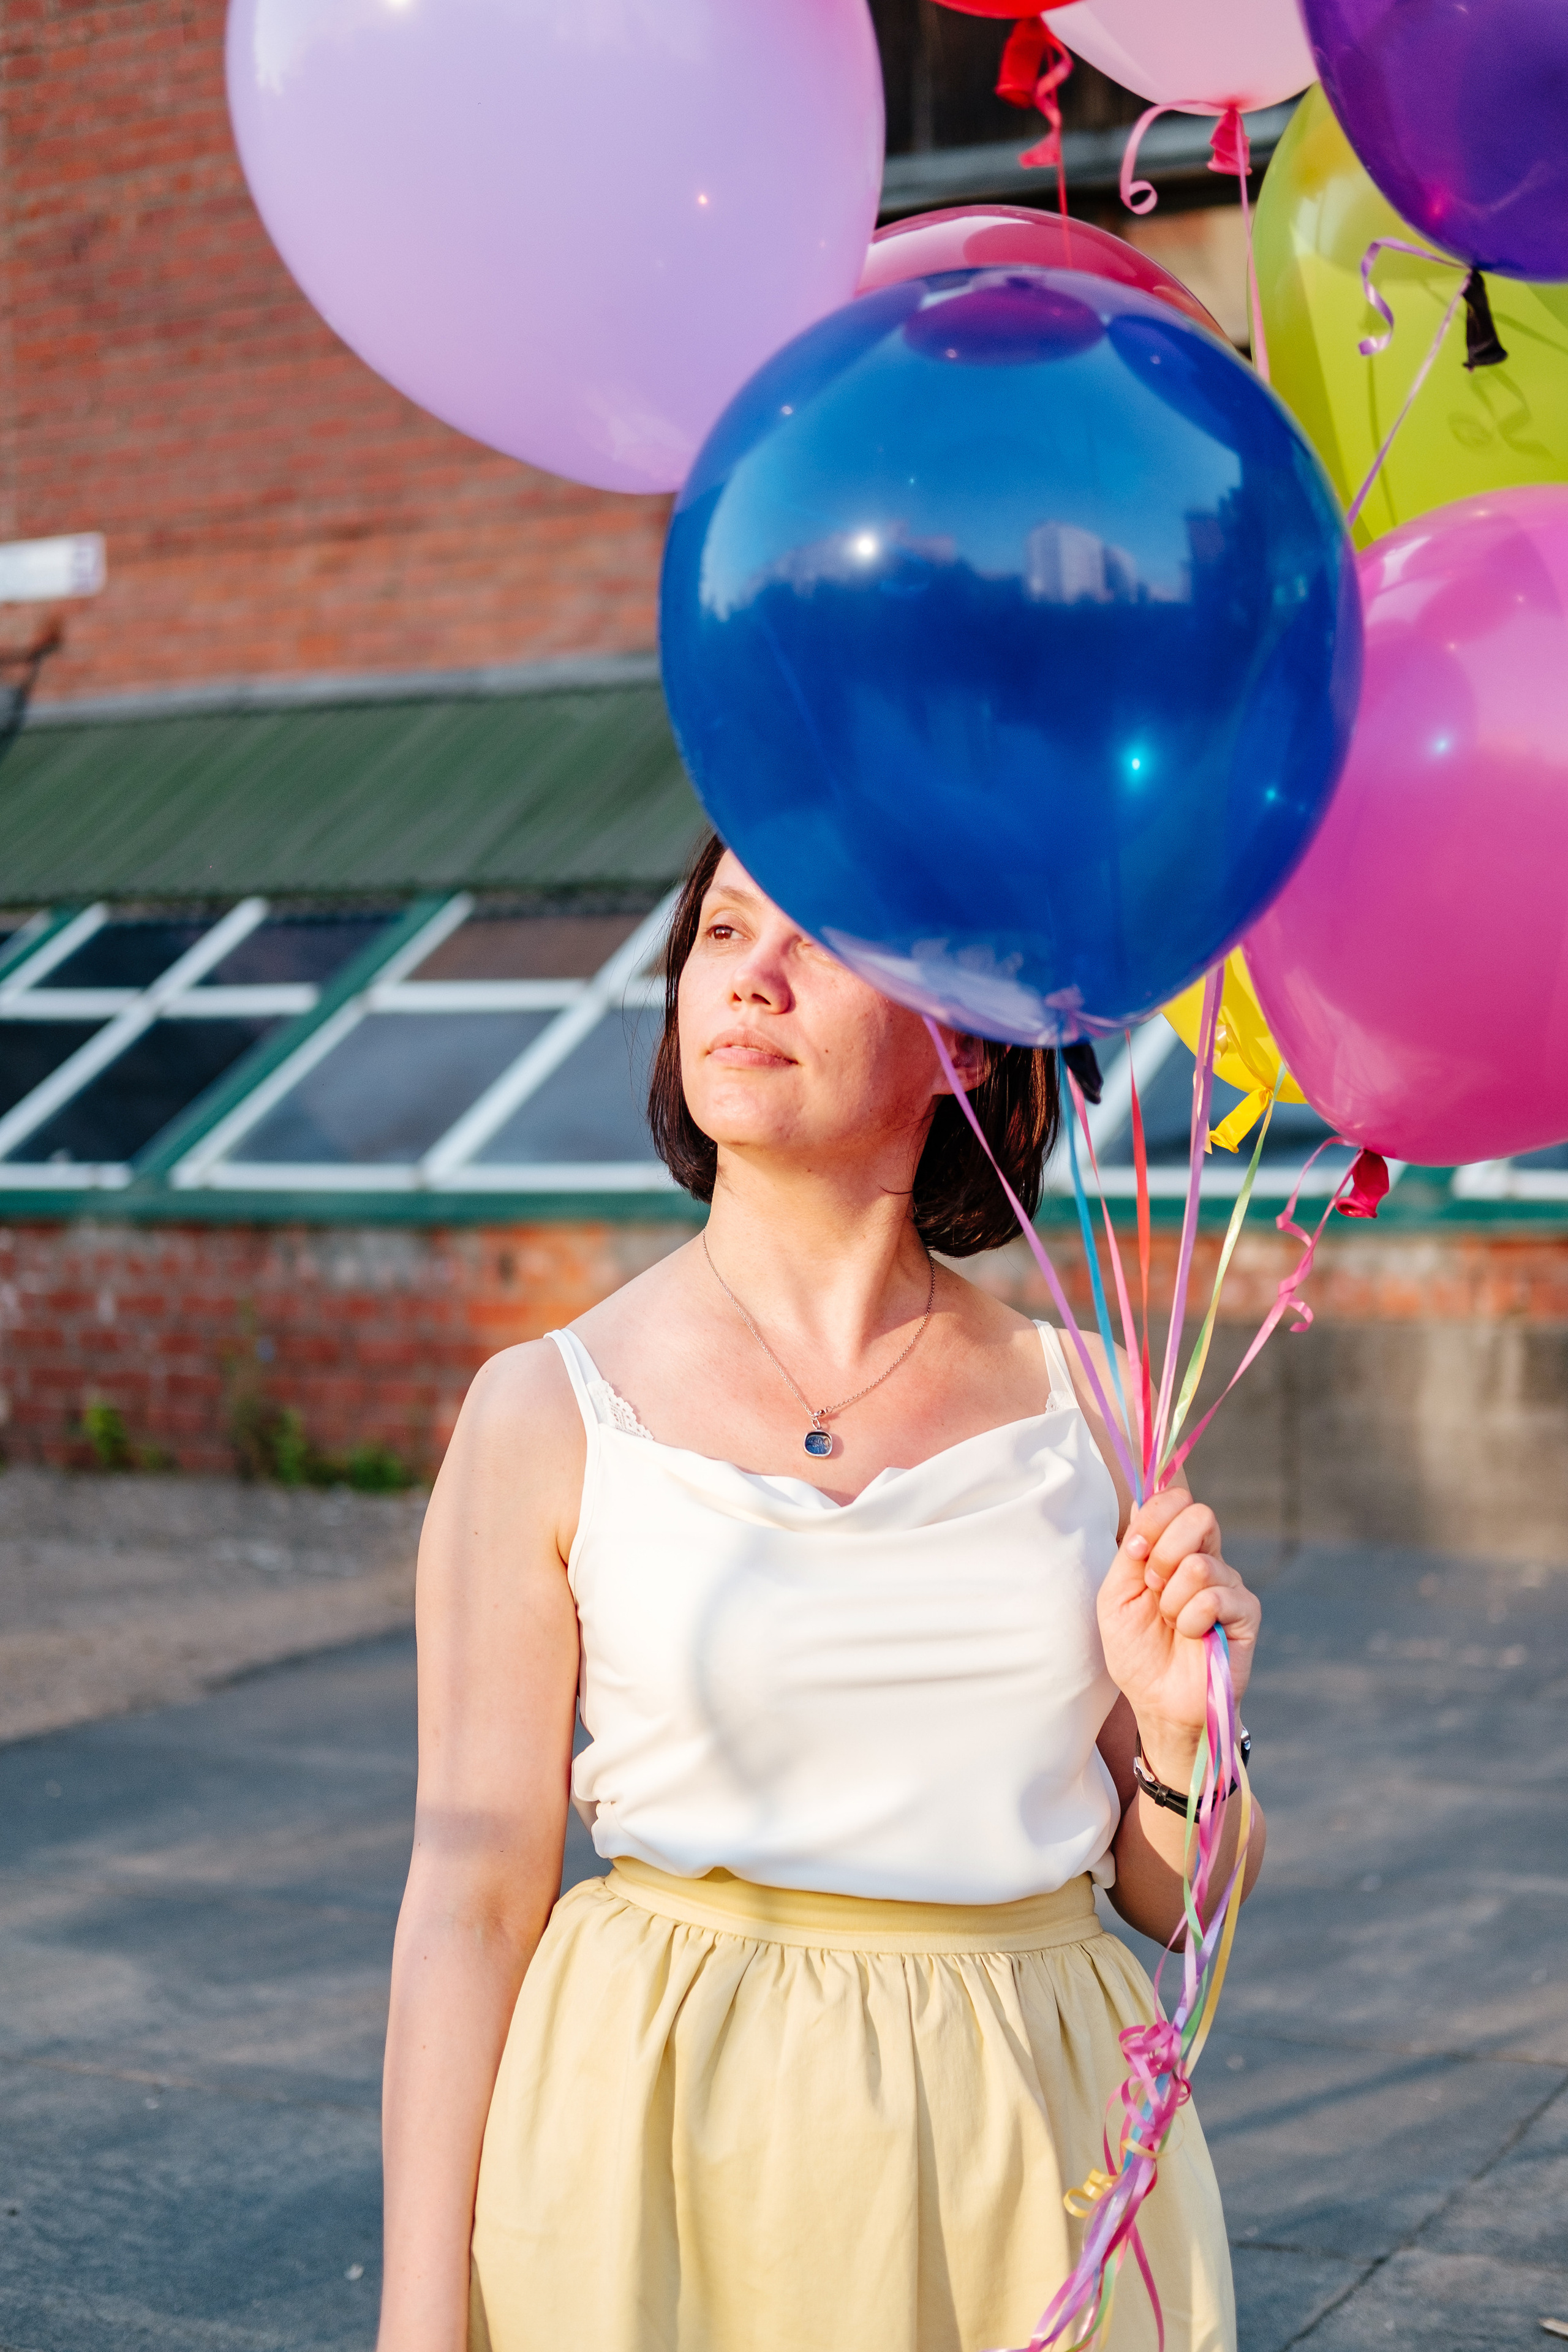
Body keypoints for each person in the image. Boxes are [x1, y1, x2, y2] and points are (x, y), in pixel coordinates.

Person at [376, 834, 1267, 2352]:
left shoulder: (1097, 1404)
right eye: (721, 932)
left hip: (1027, 2146)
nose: (750, 977)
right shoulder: (544, 1411)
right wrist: (415, 2321)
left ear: (959, 1041)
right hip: (652, 2142)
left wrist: (1187, 1742)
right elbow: (469, 1898)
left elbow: (1177, 1902)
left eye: (817, 939)